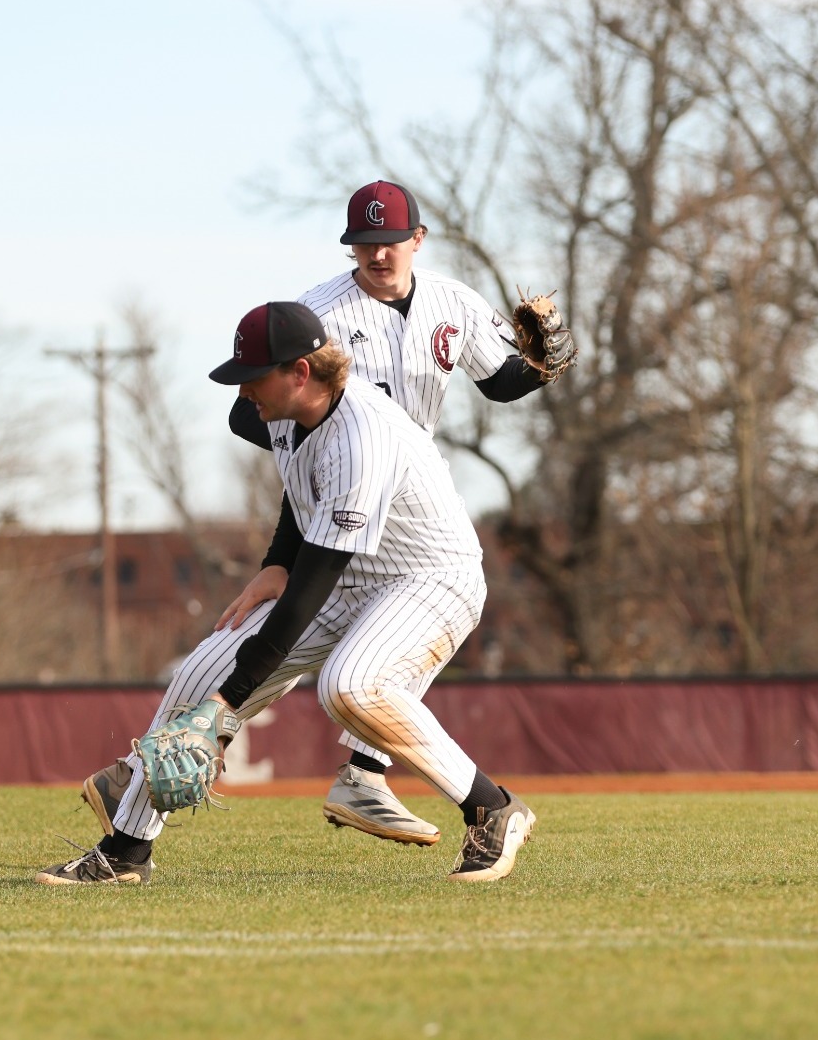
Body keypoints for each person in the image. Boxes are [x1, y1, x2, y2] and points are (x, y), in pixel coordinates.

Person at [82, 181, 568, 848]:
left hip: (414, 533)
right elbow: (267, 430)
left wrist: (540, 367)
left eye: (389, 241)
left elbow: (501, 380)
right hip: (343, 511)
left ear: (417, 240)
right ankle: (132, 821)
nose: (377, 254)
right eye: (364, 243)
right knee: (210, 666)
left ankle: (398, 783)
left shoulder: (449, 305)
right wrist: (284, 551)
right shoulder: (315, 327)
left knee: (356, 679)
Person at [39, 302, 535, 886]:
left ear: (300, 372)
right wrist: (275, 562)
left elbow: (308, 592)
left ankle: (491, 809)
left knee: (350, 686)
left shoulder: (363, 438)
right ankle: (125, 851)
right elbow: (301, 488)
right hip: (349, 575)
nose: (244, 390)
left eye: (255, 376)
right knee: (198, 674)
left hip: (429, 578)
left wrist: (229, 703)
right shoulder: (288, 409)